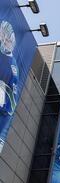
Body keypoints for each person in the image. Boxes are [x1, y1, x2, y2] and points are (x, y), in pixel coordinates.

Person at [0, 20, 18, 152]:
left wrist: (6, 107)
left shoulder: (13, 64)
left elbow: (13, 92)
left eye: (8, 39)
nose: (5, 42)